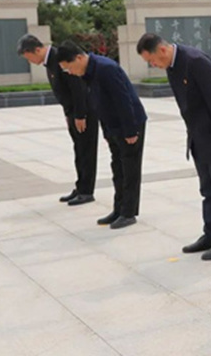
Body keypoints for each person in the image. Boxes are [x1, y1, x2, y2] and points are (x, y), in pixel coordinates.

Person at [136, 33, 211, 261]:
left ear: (162, 50)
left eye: (151, 60)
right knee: (208, 190)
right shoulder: (172, 66)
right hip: (199, 137)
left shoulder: (195, 62)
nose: (153, 65)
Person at [57, 42, 147, 230]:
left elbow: (123, 100)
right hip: (113, 125)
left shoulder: (106, 69)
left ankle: (128, 213)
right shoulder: (88, 72)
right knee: (117, 168)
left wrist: (130, 131)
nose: (70, 73)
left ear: (79, 58)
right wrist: (107, 132)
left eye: (69, 68)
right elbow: (99, 104)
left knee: (129, 169)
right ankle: (118, 209)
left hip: (129, 123)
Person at [17, 34, 99, 206]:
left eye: (29, 57)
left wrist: (80, 115)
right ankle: (80, 187)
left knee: (86, 151)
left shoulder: (59, 57)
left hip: (83, 112)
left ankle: (86, 191)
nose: (30, 61)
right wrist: (69, 115)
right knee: (79, 151)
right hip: (73, 113)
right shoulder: (50, 61)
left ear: (37, 50)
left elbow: (78, 87)